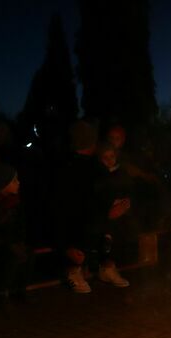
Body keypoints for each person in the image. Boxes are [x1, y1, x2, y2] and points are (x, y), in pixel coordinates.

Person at [54, 120, 99, 294]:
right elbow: (60, 209)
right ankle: (73, 269)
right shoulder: (72, 169)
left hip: (78, 228)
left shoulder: (87, 167)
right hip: (69, 231)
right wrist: (66, 246)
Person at [0, 163, 32, 305]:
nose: (18, 183)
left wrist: (19, 241)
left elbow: (21, 227)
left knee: (25, 252)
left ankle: (19, 289)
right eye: (14, 180)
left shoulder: (16, 203)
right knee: (11, 256)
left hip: (11, 241)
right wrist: (8, 244)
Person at [91, 144, 134, 287]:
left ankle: (108, 267)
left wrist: (124, 204)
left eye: (112, 156)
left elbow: (128, 192)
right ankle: (107, 267)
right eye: (105, 158)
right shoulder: (97, 175)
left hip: (120, 213)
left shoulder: (121, 173)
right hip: (103, 214)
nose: (109, 160)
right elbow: (97, 197)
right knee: (106, 232)